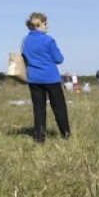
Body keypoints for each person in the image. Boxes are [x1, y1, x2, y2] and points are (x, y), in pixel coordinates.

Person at [22, 12, 70, 143]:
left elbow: (24, 57)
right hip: (51, 78)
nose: (47, 26)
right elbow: (58, 59)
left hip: (34, 78)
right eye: (45, 23)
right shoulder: (48, 40)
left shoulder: (26, 40)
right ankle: (65, 134)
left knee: (39, 108)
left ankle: (39, 136)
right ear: (38, 24)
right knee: (59, 107)